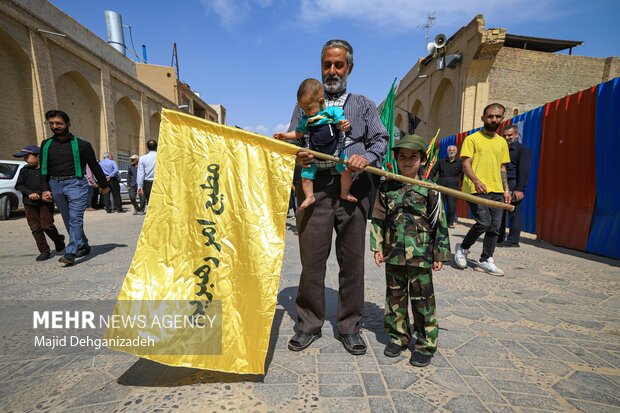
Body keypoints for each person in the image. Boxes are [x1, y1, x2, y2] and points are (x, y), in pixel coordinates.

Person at [286, 39, 388, 355]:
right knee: (312, 261)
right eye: (327, 64)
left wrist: (366, 159)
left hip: (352, 191)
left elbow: (381, 141)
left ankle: (349, 327)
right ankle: (308, 324)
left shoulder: (363, 105)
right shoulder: (305, 104)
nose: (332, 70)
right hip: (315, 189)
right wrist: (298, 155)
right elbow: (294, 141)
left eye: (338, 64)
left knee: (352, 262)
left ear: (349, 68)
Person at [370, 134, 450, 367]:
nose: (407, 161)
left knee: (423, 300)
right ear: (395, 159)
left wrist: (440, 254)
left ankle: (425, 344)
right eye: (402, 156)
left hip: (421, 254)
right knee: (395, 297)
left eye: (413, 157)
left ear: (422, 160)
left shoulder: (430, 189)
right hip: (393, 252)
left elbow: (439, 222)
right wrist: (377, 246)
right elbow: (378, 218)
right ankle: (398, 337)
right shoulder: (387, 187)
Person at [40, 110, 110, 266]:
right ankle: (82, 244)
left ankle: (70, 252)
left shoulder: (82, 145)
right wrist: (45, 189)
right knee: (67, 219)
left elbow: (94, 166)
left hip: (76, 184)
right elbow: (43, 169)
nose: (55, 126)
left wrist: (104, 186)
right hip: (55, 185)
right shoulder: (46, 144)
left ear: (68, 124)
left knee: (75, 219)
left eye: (59, 123)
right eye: (51, 123)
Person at [274, 78, 354, 209]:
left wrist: (343, 124)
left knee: (345, 171)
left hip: (335, 155)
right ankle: (310, 196)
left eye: (308, 108)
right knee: (306, 174)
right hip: (314, 157)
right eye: (303, 109)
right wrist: (285, 136)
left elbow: (340, 123)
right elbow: (298, 133)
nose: (305, 112)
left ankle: (345, 192)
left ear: (321, 101)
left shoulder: (332, 112)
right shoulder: (307, 119)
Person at [454, 103, 511, 276]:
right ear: (483, 118)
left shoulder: (502, 142)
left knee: (495, 226)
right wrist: (476, 180)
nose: (494, 119)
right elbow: (465, 164)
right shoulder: (472, 139)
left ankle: (486, 259)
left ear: (502, 118)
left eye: (498, 116)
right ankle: (462, 248)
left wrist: (506, 189)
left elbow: (502, 167)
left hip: (497, 190)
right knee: (484, 222)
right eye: (490, 116)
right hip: (475, 189)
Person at [13, 145, 65, 261]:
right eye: (24, 158)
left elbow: (55, 184)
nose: (25, 159)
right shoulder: (24, 170)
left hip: (45, 203)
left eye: (27, 157)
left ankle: (58, 240)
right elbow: (19, 185)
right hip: (29, 203)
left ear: (38, 156)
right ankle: (44, 250)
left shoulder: (48, 171)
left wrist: (51, 194)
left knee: (47, 226)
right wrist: (29, 193)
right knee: (35, 227)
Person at [497, 124, 532, 247]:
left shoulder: (523, 150)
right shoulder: (501, 149)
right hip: (500, 183)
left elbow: (524, 171)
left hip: (513, 183)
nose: (507, 138)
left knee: (514, 212)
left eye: (510, 135)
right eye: (504, 135)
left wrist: (519, 189)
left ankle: (513, 240)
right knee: (499, 211)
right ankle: (499, 238)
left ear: (516, 135)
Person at [429, 145, 462, 228]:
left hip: (453, 186)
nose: (451, 152)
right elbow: (433, 171)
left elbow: (463, 174)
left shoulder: (459, 162)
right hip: (441, 185)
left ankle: (450, 222)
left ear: (456, 152)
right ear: (448, 152)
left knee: (452, 205)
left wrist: (466, 184)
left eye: (453, 150)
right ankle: (439, 221)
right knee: (441, 204)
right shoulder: (441, 161)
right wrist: (429, 181)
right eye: (450, 150)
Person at [137, 139, 157, 213]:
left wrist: (140, 186)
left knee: (150, 202)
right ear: (156, 147)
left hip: (148, 183)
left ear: (147, 147)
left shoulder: (143, 158)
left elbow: (140, 173)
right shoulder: (161, 157)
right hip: (159, 182)